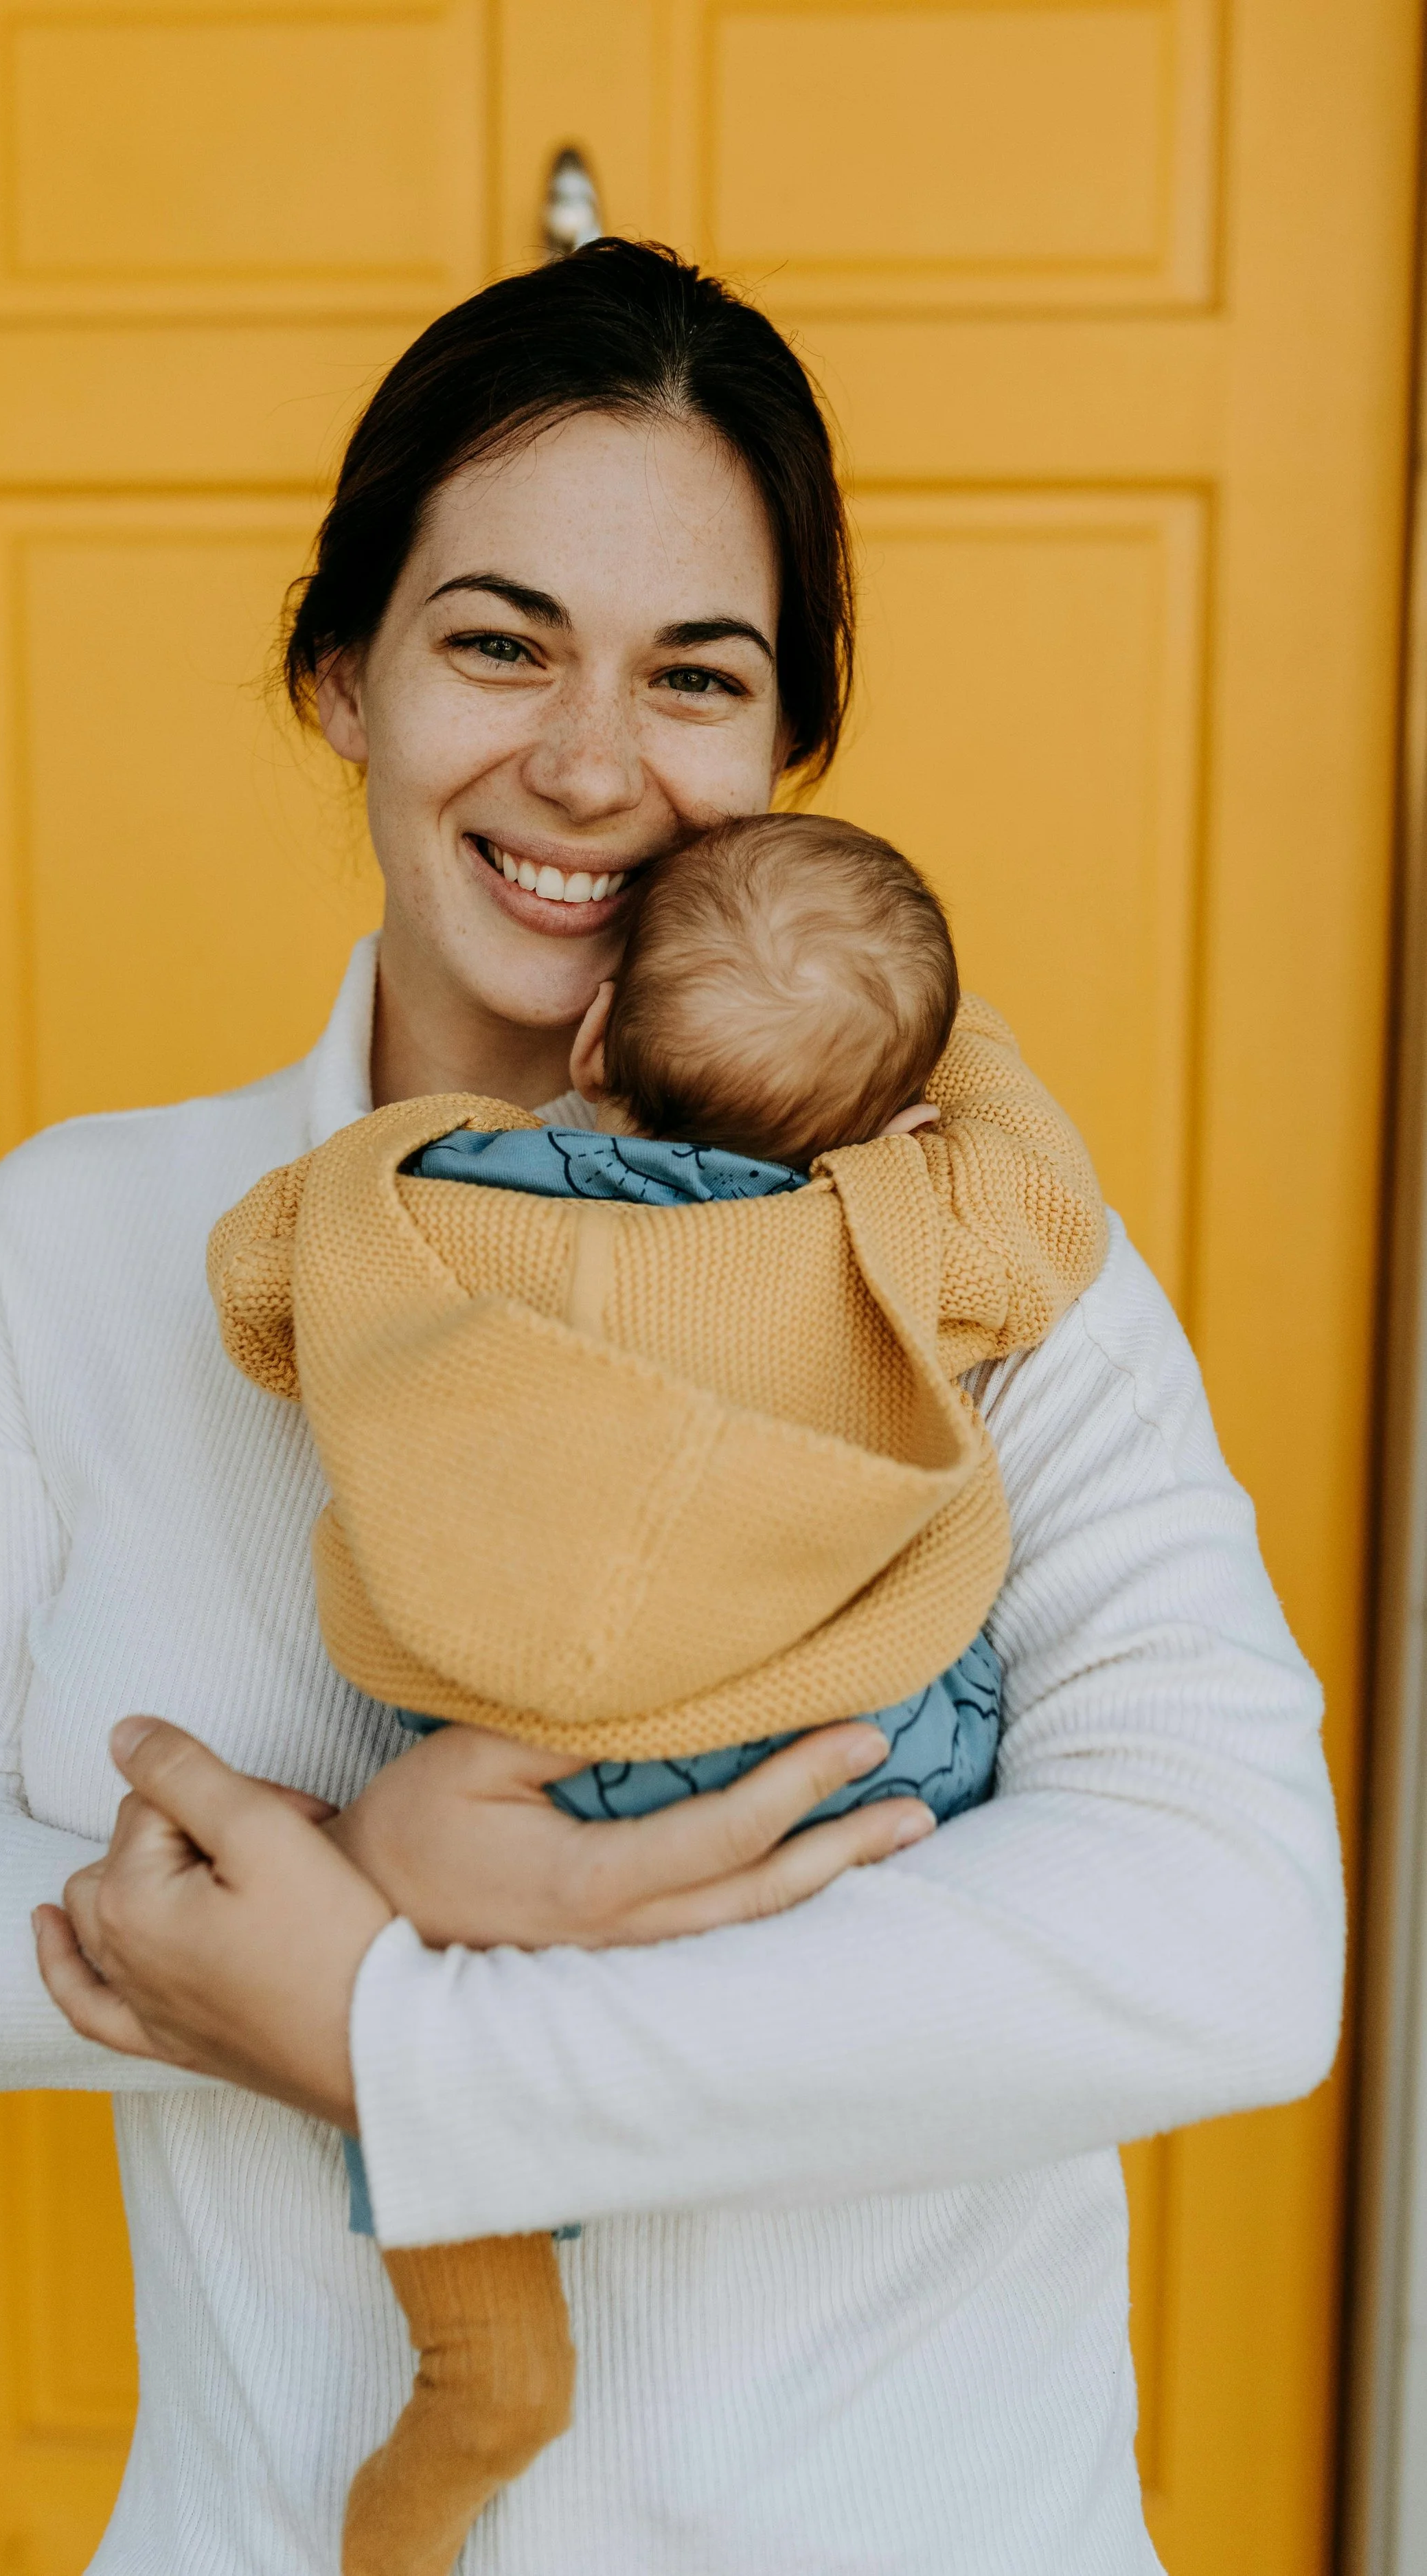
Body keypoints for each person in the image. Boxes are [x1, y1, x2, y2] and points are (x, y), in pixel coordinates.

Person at [0, 242, 1342, 2575]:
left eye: (695, 677)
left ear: (788, 749)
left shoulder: (982, 1252)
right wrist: (360, 1889)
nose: (594, 763)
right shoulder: (98, 1242)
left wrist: (402, 2030)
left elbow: (1232, 1937)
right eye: (497, 640)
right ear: (343, 673)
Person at [210, 809, 1106, 2575]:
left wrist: (399, 1168)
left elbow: (256, 1305)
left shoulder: (431, 1197)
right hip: (846, 1748)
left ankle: (484, 2364)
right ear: (898, 1114)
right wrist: (941, 1053)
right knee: (930, 1772)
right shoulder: (897, 1229)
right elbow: (1046, 1221)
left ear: (598, 1035)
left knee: (429, 1963)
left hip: (522, 1781)